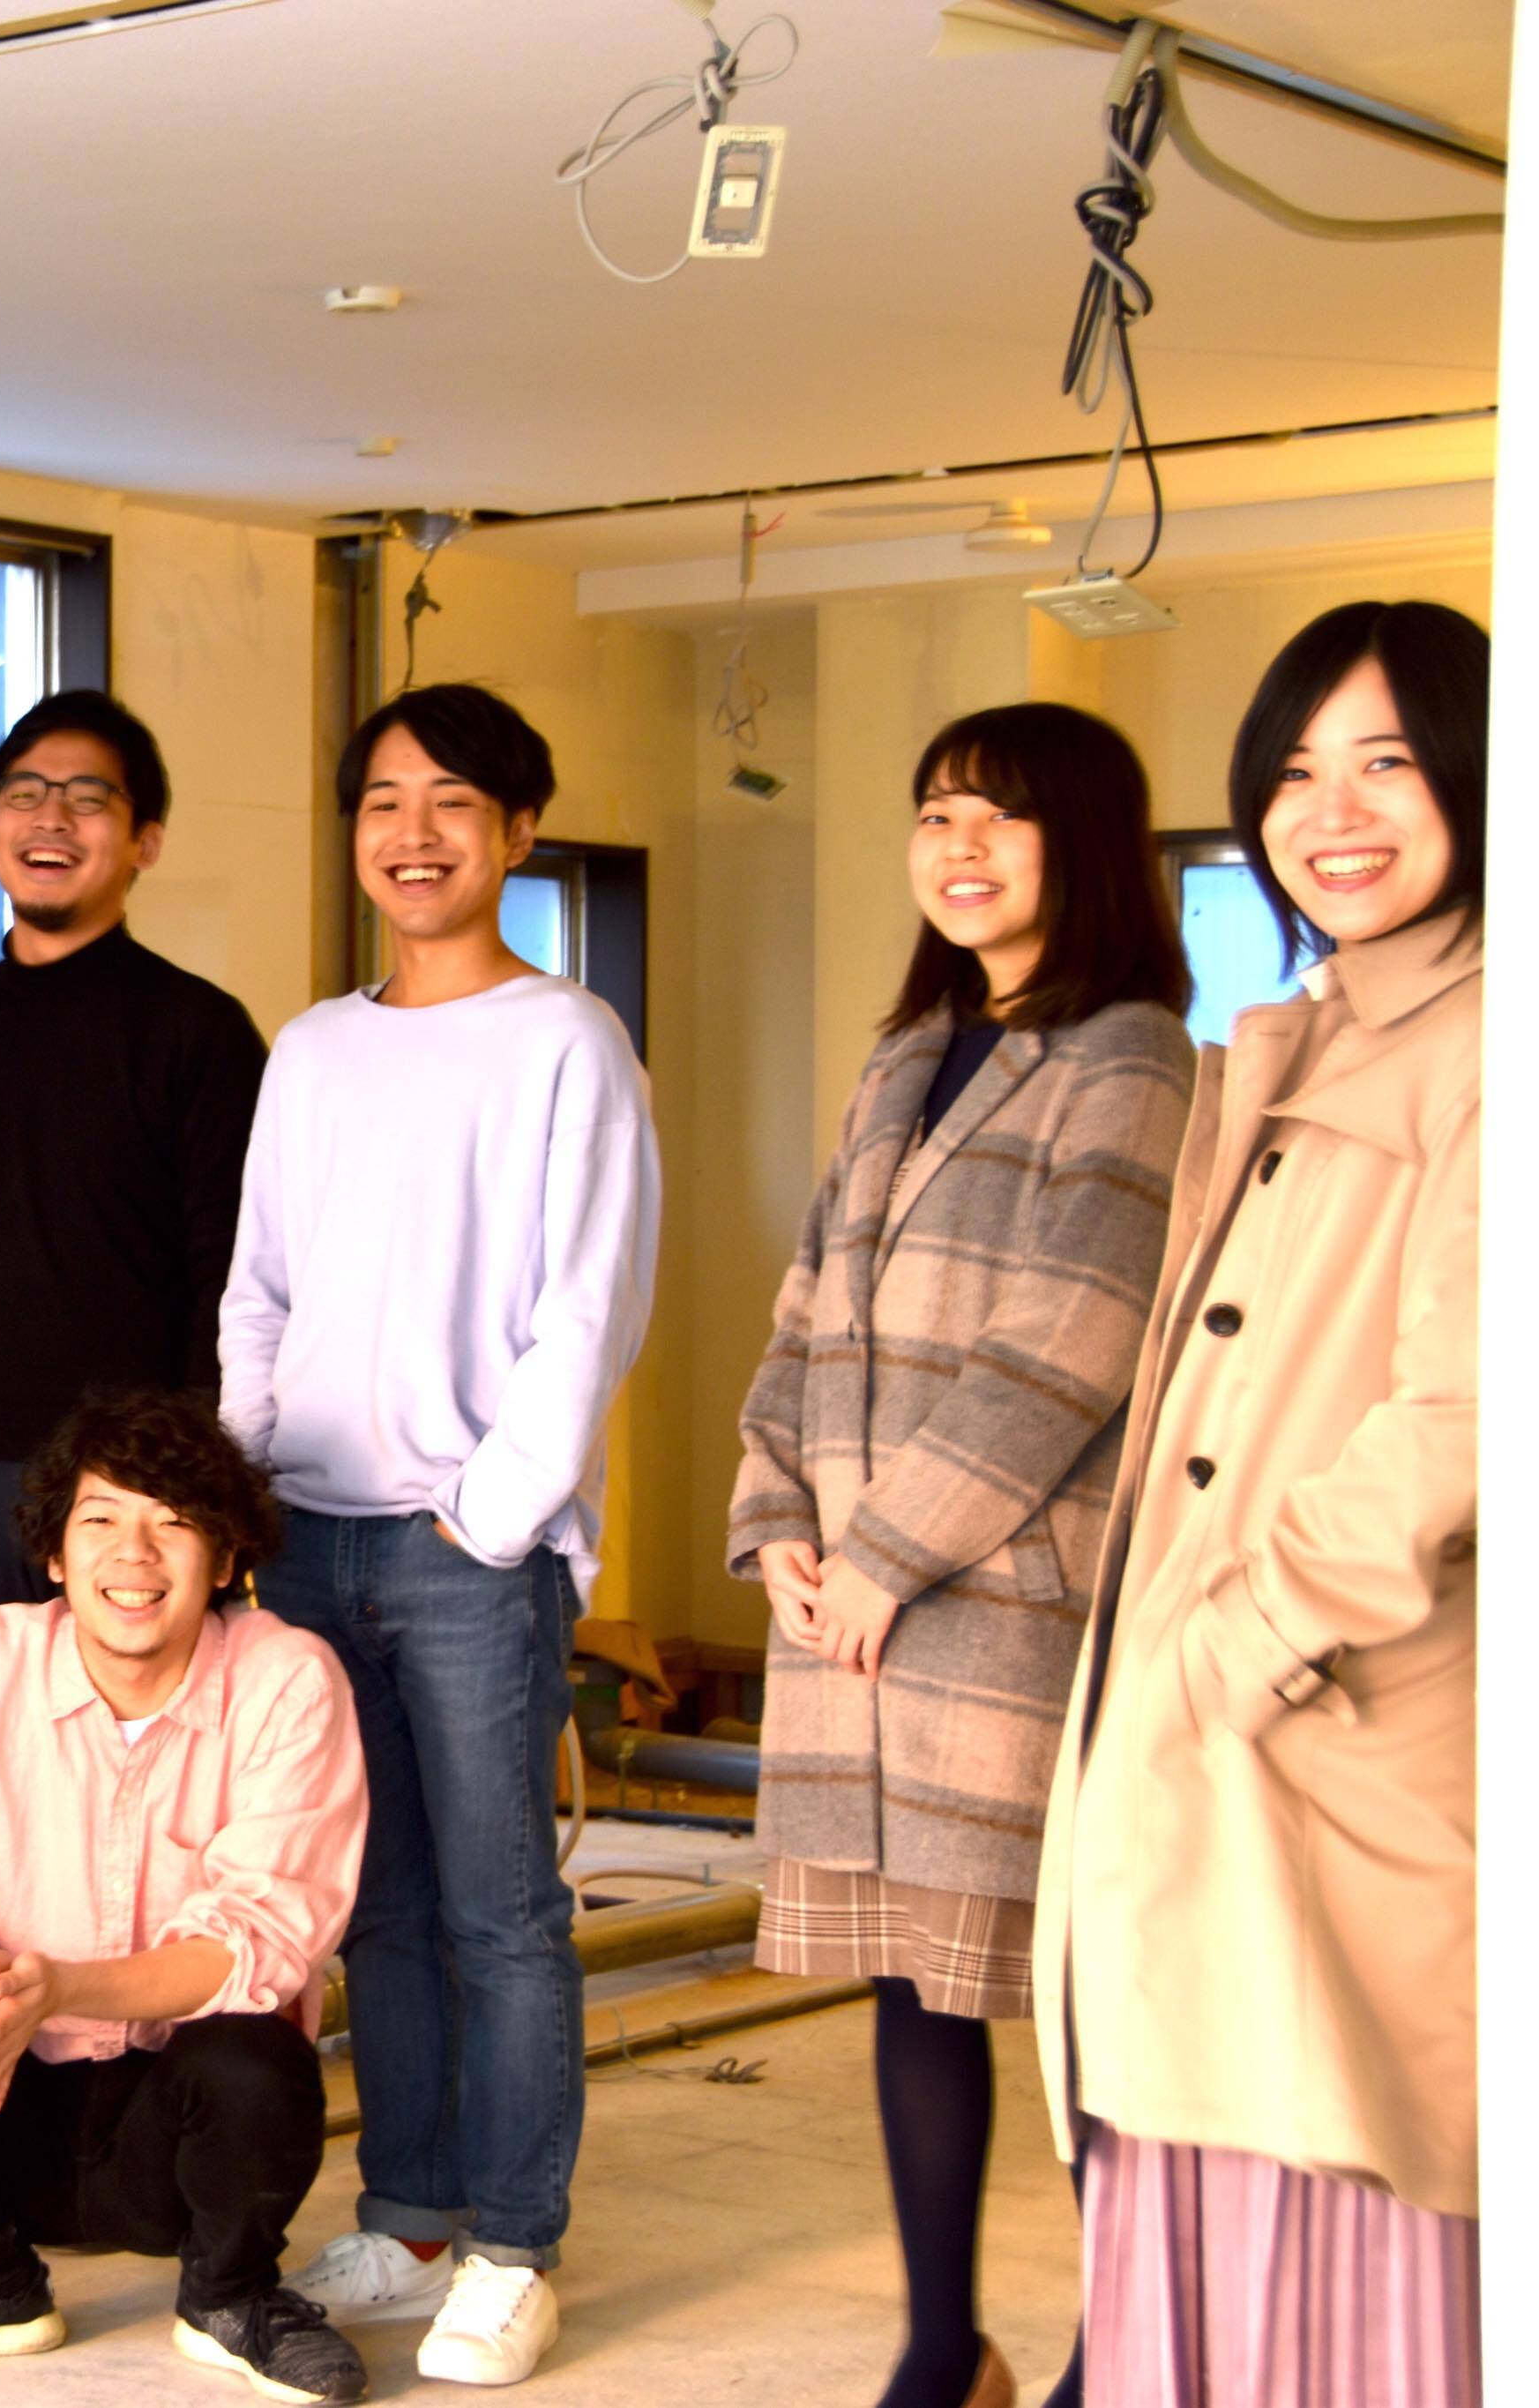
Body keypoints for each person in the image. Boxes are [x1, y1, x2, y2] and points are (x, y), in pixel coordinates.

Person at [1036, 600, 1486, 2405]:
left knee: (1342, 2162)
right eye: (1295, 773)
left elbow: (1467, 1410)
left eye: (1388, 762)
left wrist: (1240, 1639)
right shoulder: (1302, 1029)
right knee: (1199, 2132)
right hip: (1205, 1727)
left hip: (1338, 1713)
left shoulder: (1491, 1038)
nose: (1332, 812)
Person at [728, 703, 1192, 2408]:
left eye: (1001, 815)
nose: (959, 847)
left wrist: (885, 1556)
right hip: (842, 1614)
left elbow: (1067, 1346)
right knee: (912, 1987)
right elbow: (803, 1315)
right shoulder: (904, 1055)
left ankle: (1115, 2357)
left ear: (1087, 842)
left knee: (1067, 2000)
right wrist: (775, 1527)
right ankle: (945, 2348)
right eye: (936, 814)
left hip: (995, 1609)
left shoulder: (1131, 1054)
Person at [220, 683, 660, 2389]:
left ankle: (512, 2245)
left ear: (518, 832)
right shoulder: (312, 1051)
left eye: (453, 803)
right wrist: (246, 1483)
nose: (413, 834)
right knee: (377, 1908)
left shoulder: (566, 1040)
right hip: (305, 1541)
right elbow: (259, 1291)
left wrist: (486, 1515)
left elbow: (588, 1309)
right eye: (383, 802)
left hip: (467, 1551)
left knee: (499, 1913)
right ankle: (409, 2217)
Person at [0, 1390, 369, 2404]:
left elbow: (260, 1945)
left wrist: (57, 1988)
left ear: (226, 1560)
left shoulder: (287, 1679)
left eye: (173, 1523)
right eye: (99, 1519)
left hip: (173, 2136)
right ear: (54, 1555)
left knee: (257, 2058)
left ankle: (230, 2297)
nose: (132, 1554)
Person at [0, 692, 266, 1666]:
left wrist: (202, 1485)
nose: (52, 818)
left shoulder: (199, 1032)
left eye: (87, 798)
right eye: (26, 794)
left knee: (137, 1746)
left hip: (139, 1487)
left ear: (145, 840)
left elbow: (230, 1279)